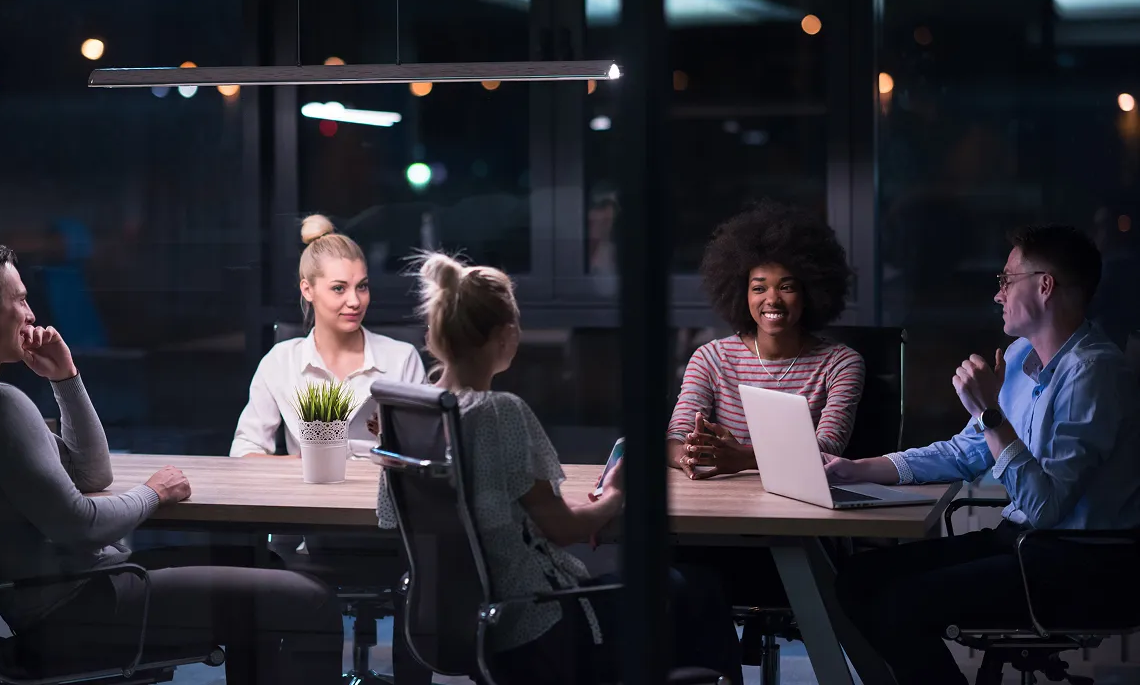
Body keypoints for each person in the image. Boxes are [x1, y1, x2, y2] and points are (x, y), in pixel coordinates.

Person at [0, 243, 344, 685]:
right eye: (19, 299)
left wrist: (66, 378)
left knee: (260, 562)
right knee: (313, 601)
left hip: (70, 598)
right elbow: (80, 524)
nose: (31, 313)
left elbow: (94, 474)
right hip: (80, 611)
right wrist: (155, 492)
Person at [378, 251, 744, 684]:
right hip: (538, 622)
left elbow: (401, 516)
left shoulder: (414, 415)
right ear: (505, 334)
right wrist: (616, 494)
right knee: (694, 589)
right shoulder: (499, 412)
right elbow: (564, 529)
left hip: (461, 623)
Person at [825, 224, 1140, 685]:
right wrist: (857, 469)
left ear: (1045, 285)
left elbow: (1045, 508)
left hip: (1083, 564)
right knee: (856, 580)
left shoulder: (1094, 374)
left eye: (1006, 280)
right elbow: (962, 452)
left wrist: (992, 414)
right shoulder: (1017, 357)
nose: (999, 295)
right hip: (1023, 543)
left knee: (900, 605)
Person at [667, 200, 866, 479]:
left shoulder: (840, 364)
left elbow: (828, 450)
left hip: (805, 500)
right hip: (728, 499)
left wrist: (744, 458)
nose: (772, 299)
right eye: (759, 288)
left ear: (810, 293)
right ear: (742, 294)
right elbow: (676, 436)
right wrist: (686, 453)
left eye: (786, 287)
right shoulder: (711, 358)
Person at [230, 214, 427, 459]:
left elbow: (426, 450)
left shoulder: (401, 358)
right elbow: (245, 449)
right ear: (307, 290)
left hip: (380, 492)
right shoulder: (281, 362)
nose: (355, 301)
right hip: (308, 493)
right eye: (338, 288)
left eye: (362, 286)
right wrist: (306, 464)